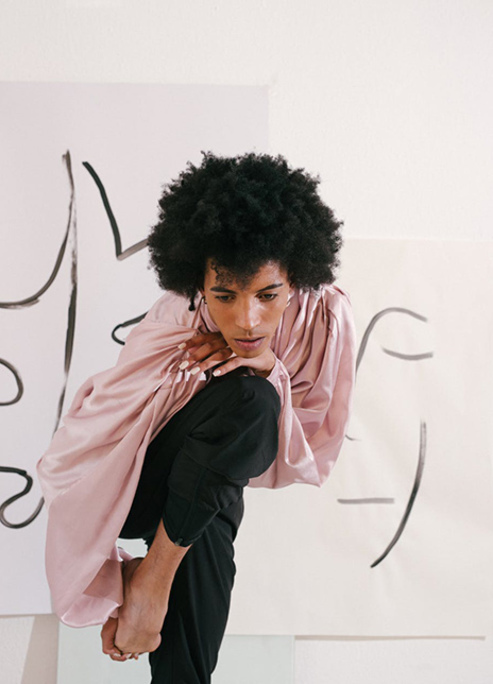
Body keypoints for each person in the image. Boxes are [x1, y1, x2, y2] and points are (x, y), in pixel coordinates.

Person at [37, 150, 356, 683]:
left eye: (268, 295)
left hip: (205, 489)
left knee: (219, 492)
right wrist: (238, 379)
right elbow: (102, 431)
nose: (247, 319)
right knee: (249, 403)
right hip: (124, 487)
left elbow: (309, 436)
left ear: (297, 278)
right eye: (224, 295)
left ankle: (158, 596)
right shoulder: (180, 315)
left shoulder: (324, 316)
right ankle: (151, 586)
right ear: (199, 283)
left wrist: (269, 366)